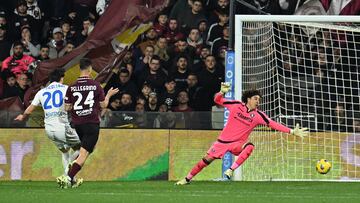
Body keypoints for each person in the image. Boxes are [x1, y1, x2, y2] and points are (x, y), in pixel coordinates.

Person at [175, 82, 309, 185]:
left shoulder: (258, 115)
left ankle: (230, 170)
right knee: (204, 161)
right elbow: (217, 100)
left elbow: (273, 124)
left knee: (250, 146)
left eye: (259, 99)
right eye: (256, 98)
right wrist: (221, 92)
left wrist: (291, 131)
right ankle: (187, 179)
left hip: (237, 144)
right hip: (222, 142)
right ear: (248, 99)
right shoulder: (235, 105)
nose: (258, 101)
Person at [56, 58, 119, 188]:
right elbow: (104, 105)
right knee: (84, 154)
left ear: (80, 69)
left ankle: (72, 169)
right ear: (90, 69)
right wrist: (108, 94)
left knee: (87, 149)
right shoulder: (96, 85)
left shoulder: (72, 87)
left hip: (78, 124)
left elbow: (67, 108)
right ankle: (68, 176)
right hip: (91, 123)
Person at [14, 68, 81, 178]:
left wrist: (22, 116)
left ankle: (69, 179)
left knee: (65, 152)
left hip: (49, 130)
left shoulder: (42, 92)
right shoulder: (66, 89)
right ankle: (68, 171)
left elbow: (30, 109)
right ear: (61, 78)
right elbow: (73, 105)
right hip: (62, 126)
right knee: (83, 148)